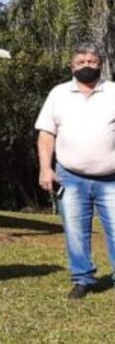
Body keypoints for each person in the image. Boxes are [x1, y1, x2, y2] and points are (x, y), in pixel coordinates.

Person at [36, 42, 115, 300]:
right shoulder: (58, 94)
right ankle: (83, 279)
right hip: (70, 176)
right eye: (81, 62)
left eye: (92, 62)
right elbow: (46, 133)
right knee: (75, 231)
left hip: (111, 178)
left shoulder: (113, 92)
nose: (86, 66)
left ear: (100, 64)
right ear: (71, 66)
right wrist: (45, 169)